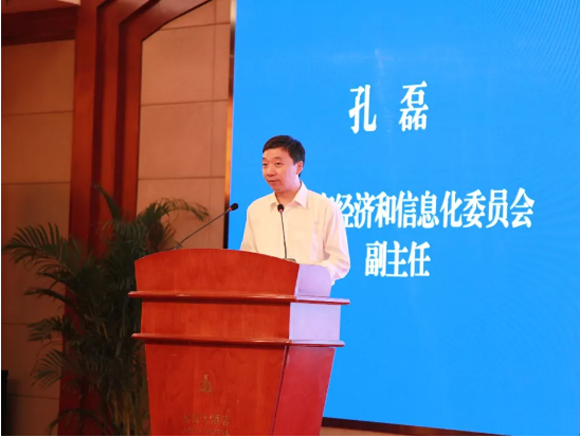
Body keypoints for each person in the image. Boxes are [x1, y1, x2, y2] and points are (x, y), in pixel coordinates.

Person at [240, 135, 350, 283]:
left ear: (298, 167)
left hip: (309, 293)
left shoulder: (325, 208)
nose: (269, 171)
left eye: (278, 164)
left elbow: (340, 261)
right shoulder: (256, 209)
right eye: (265, 164)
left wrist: (306, 275)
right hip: (265, 292)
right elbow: (248, 258)